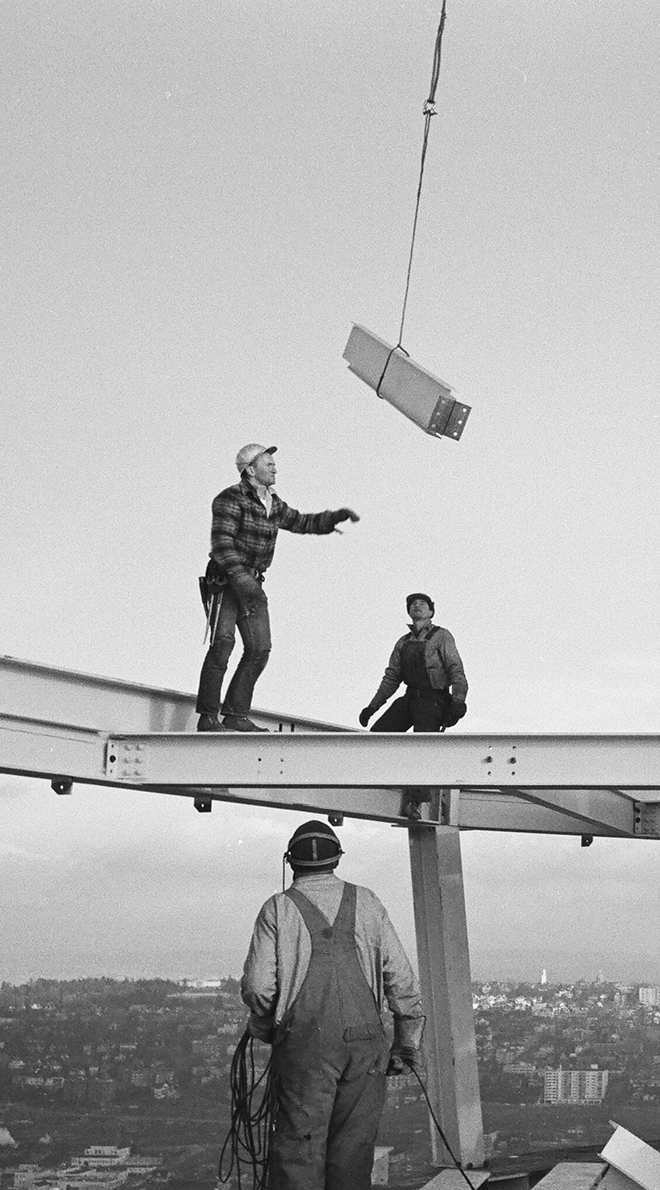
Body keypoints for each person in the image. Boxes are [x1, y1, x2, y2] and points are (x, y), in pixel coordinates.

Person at [241, 821, 423, 1190]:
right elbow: (402, 980)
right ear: (337, 859)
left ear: (290, 862)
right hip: (365, 1046)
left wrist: (265, 1024)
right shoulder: (368, 902)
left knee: (299, 1149)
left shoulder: (278, 909)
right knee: (353, 1152)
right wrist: (406, 1043)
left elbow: (258, 985)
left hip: (305, 1047)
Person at [196, 444, 360, 732]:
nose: (274, 467)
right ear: (250, 470)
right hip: (224, 581)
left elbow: (301, 521)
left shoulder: (272, 502)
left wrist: (333, 517)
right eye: (268, 463)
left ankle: (235, 714)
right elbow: (222, 544)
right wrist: (241, 578)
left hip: (252, 582)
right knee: (223, 643)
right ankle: (208, 717)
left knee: (260, 648)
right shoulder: (230, 498)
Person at [359, 593, 469, 732]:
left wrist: (458, 702)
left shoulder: (441, 636)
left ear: (431, 612)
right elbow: (391, 678)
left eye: (422, 603)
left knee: (423, 745)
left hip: (433, 701)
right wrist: (372, 707)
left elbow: (456, 669)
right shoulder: (403, 642)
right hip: (409, 698)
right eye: (413, 604)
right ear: (409, 611)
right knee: (378, 738)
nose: (417, 605)